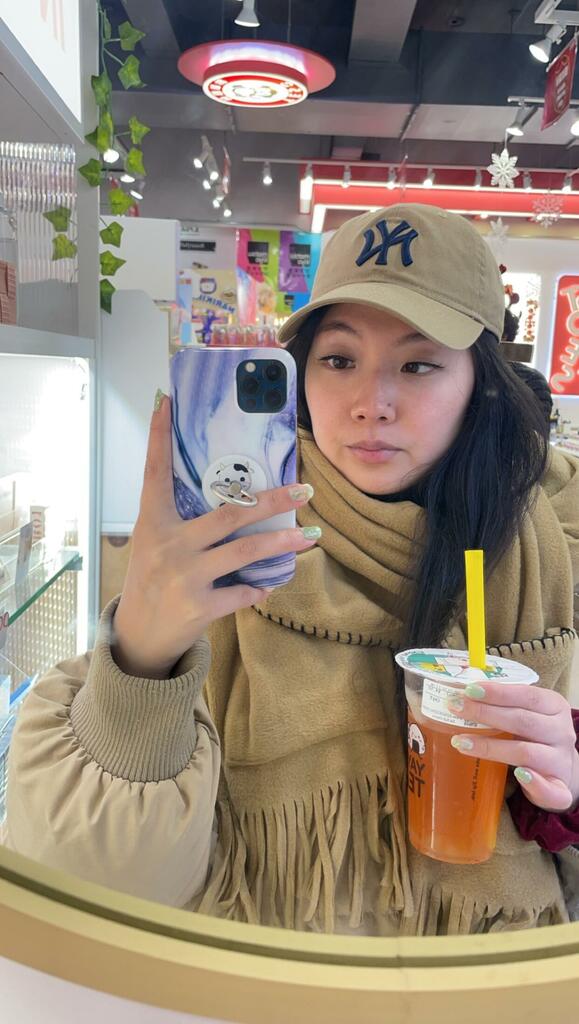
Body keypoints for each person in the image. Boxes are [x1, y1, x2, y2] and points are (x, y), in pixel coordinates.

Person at [5, 204, 579, 937]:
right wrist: (141, 663)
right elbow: (96, 891)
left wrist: (561, 793)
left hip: (482, 989)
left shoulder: (552, 548)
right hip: (270, 985)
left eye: (419, 363)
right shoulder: (223, 544)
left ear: (480, 382)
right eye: (339, 359)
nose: (371, 404)